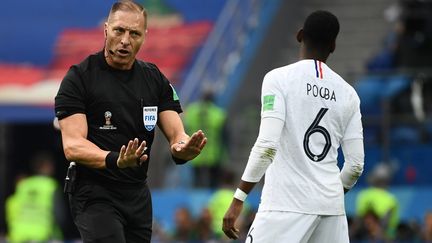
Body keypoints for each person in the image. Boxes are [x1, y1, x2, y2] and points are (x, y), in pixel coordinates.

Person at [54, 1, 207, 242]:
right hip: (94, 193)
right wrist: (115, 160)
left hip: (137, 194)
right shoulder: (79, 78)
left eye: (134, 33)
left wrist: (183, 148)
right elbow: (72, 146)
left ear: (144, 37)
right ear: (106, 30)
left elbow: (177, 134)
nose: (125, 40)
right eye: (119, 30)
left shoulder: (154, 78)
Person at [222, 10, 365, 242]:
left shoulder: (278, 79)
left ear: (300, 35)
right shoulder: (349, 94)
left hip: (285, 205)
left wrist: (238, 198)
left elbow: (267, 145)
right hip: (331, 211)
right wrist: (327, 196)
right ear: (334, 46)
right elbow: (355, 165)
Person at [5, 151, 64, 242]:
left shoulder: (23, 185)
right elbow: (60, 216)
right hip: (44, 236)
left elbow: (12, 208)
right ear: (46, 166)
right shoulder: (51, 186)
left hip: (18, 235)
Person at [183, 89, 227, 188]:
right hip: (214, 155)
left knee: (197, 184)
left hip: (194, 153)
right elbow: (224, 136)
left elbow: (185, 130)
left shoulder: (191, 111)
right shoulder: (219, 113)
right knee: (213, 184)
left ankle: (197, 202)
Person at [354, 163, 399, 240]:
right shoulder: (391, 199)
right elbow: (387, 225)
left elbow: (358, 222)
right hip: (384, 236)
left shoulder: (363, 195)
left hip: (365, 236)